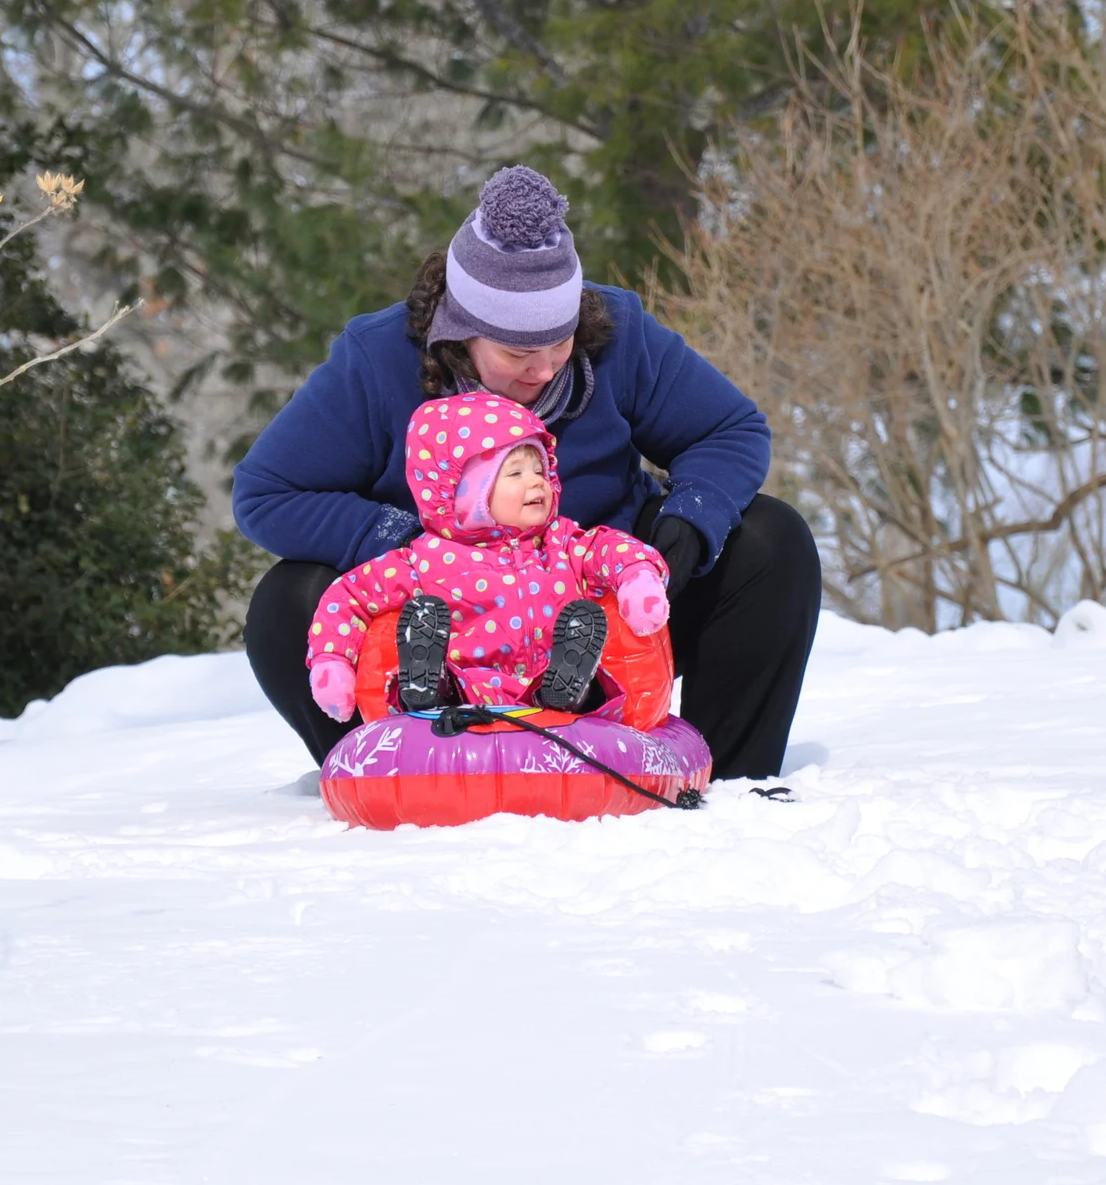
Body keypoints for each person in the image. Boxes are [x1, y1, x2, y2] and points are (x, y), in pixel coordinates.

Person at [234, 163, 820, 779]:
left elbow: (730, 428)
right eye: (517, 353)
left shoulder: (620, 334)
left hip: (597, 606)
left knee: (768, 540)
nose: (542, 369)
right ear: (461, 333)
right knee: (289, 601)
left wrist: (687, 525)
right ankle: (396, 776)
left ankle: (721, 778)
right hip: (440, 631)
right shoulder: (376, 361)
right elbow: (267, 492)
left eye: (559, 345)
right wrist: (411, 547)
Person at [305, 394, 670, 719]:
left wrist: (638, 577)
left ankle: (573, 688)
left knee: (585, 682)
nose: (537, 482)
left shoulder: (561, 543)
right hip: (470, 697)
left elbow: (609, 548)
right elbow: (350, 596)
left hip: (547, 688)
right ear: (464, 493)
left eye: (540, 469)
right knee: (449, 682)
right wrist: (331, 662)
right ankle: (429, 690)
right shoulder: (425, 561)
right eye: (515, 473)